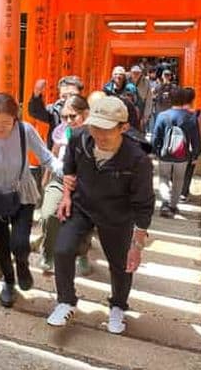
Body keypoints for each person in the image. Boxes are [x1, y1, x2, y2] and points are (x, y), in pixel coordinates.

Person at [46, 96, 153, 335]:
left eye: (106, 130)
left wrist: (137, 244)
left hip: (116, 214)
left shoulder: (137, 160)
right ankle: (66, 301)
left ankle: (118, 306)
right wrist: (65, 195)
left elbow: (144, 205)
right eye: (95, 127)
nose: (98, 135)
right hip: (82, 206)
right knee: (62, 249)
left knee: (121, 264)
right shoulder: (80, 138)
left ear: (123, 128)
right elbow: (69, 169)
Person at [0, 92, 61, 308]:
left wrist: (65, 170)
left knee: (19, 243)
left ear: (15, 118)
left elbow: (46, 156)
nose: (0, 126)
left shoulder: (24, 131)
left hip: (22, 194)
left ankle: (23, 264)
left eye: (6, 122)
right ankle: (9, 283)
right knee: (0, 245)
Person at [40, 95, 94, 276]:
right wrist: (46, 177)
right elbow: (53, 153)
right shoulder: (61, 131)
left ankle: (82, 253)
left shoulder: (94, 133)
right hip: (60, 179)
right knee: (48, 215)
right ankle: (47, 253)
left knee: (84, 221)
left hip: (84, 185)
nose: (69, 121)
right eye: (65, 117)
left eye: (73, 116)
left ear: (85, 114)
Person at [153, 87, 201, 218]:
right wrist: (196, 154)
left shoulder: (162, 116)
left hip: (165, 154)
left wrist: (155, 150)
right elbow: (196, 138)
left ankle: (165, 202)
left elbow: (156, 136)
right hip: (182, 155)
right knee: (179, 180)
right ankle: (173, 206)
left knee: (163, 177)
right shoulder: (191, 117)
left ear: (170, 99)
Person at [27, 75, 85, 148]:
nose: (68, 99)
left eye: (72, 95)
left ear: (81, 94)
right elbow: (35, 112)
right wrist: (36, 94)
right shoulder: (55, 110)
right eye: (64, 96)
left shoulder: (87, 110)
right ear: (59, 96)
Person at [129, 65, 153, 131]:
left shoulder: (146, 82)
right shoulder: (126, 81)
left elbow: (149, 99)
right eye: (134, 72)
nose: (136, 74)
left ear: (141, 73)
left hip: (140, 110)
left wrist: (146, 116)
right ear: (131, 73)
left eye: (138, 73)